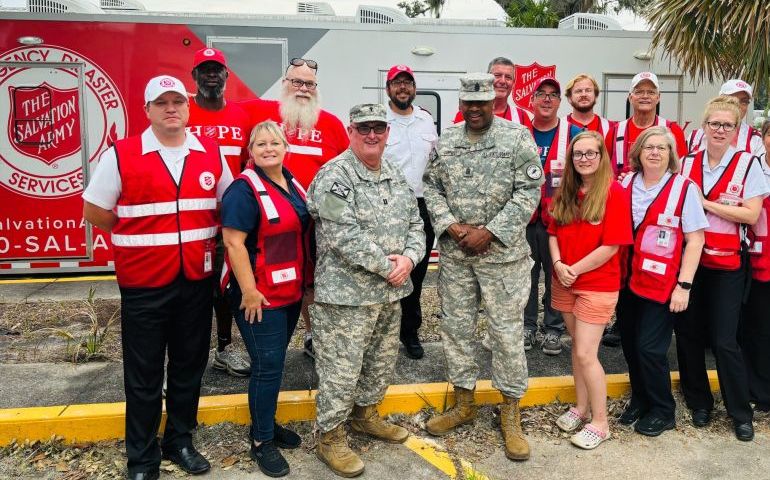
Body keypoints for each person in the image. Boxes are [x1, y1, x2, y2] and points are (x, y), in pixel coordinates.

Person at [82, 75, 233, 480]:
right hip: (143, 284)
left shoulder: (210, 153)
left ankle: (180, 440)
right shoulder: (122, 154)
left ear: (188, 108)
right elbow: (95, 211)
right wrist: (138, 238)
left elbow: (227, 206)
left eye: (177, 102)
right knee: (144, 375)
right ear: (147, 110)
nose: (171, 108)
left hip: (195, 282)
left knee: (188, 368)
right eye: (161, 102)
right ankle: (143, 458)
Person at [423, 73, 543, 461]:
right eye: (468, 103)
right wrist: (454, 227)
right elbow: (431, 188)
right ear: (461, 104)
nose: (474, 109)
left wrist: (490, 232)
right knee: (456, 329)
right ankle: (464, 402)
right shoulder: (446, 142)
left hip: (502, 259)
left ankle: (510, 413)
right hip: (457, 257)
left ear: (495, 102)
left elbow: (529, 191)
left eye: (482, 103)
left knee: (506, 334)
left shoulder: (517, 138)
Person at [307, 104, 425, 478]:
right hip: (346, 296)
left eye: (378, 128)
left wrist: (409, 258)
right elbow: (340, 232)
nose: (372, 135)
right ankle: (329, 436)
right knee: (341, 370)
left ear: (387, 133)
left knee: (379, 362)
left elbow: (415, 223)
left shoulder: (393, 172)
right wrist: (388, 265)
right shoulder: (335, 175)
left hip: (389, 292)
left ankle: (365, 416)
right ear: (350, 131)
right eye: (364, 128)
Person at [241, 58, 349, 359]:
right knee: (278, 280)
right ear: (284, 84)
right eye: (296, 82)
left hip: (318, 223)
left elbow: (346, 171)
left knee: (314, 282)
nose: (303, 88)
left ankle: (314, 335)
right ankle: (268, 345)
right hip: (273, 224)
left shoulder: (330, 123)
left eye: (309, 83)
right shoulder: (260, 114)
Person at [220, 121, 310, 477]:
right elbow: (233, 242)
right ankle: (260, 441)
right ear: (250, 151)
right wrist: (249, 291)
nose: (269, 148)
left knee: (274, 364)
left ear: (285, 146)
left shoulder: (292, 183)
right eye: (261, 144)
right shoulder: (243, 190)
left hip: (288, 292)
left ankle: (267, 425)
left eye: (275, 142)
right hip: (259, 296)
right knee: (267, 367)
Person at [677, 96, 769, 441]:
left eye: (726, 125)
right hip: (690, 262)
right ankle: (699, 403)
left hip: (729, 263)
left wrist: (705, 204)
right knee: (688, 335)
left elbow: (751, 214)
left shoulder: (748, 164)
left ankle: (740, 412)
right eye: (714, 123)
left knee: (725, 339)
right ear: (704, 127)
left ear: (736, 130)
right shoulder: (686, 163)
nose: (719, 130)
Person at [615, 126, 707, 437]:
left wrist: (684, 286)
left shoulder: (684, 188)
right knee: (629, 343)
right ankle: (640, 398)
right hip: (627, 280)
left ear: (671, 155)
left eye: (662, 148)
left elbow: (695, 240)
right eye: (649, 146)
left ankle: (663, 409)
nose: (655, 152)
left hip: (662, 284)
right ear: (638, 153)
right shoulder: (624, 182)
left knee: (650, 349)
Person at [548, 130, 633, 449]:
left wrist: (574, 270)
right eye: (578, 154)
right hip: (564, 281)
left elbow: (611, 246)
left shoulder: (615, 193)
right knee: (577, 349)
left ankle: (600, 422)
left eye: (590, 153)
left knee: (586, 352)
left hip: (595, 284)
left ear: (602, 156)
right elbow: (553, 231)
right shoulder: (566, 190)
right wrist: (558, 266)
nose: (584, 159)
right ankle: (581, 408)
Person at [187, 46, 252, 377]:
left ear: (227, 76)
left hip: (231, 218)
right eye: (204, 69)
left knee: (226, 286)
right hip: (191, 216)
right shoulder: (182, 113)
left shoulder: (240, 116)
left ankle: (224, 349)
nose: (211, 74)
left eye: (217, 69)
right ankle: (190, 353)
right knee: (193, 288)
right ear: (194, 76)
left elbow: (245, 164)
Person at [383, 64, 438, 360]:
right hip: (389, 204)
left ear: (414, 88)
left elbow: (435, 160)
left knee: (416, 271)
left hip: (422, 205)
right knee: (389, 269)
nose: (403, 87)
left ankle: (410, 331)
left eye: (408, 82)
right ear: (388, 88)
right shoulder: (380, 120)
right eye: (397, 83)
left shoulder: (426, 120)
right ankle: (385, 333)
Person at [523, 76, 581, 355]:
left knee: (556, 275)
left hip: (558, 220)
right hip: (524, 218)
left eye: (553, 95)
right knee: (526, 275)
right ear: (531, 100)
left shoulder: (572, 132)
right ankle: (527, 325)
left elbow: (584, 172)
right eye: (541, 94)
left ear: (560, 102)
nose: (547, 99)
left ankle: (553, 329)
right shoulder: (520, 132)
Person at [607, 72, 687, 174]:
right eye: (639, 92)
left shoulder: (673, 130)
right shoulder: (615, 131)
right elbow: (603, 170)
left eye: (651, 92)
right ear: (630, 97)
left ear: (658, 97)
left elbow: (681, 170)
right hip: (621, 189)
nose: (645, 96)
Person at [742, 119, 770, 412]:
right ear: (763, 136)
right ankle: (759, 391)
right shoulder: (751, 168)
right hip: (753, 259)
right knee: (755, 328)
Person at [687, 79, 764, 155]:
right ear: (720, 100)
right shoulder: (695, 137)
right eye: (732, 100)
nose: (738, 105)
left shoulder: (756, 139)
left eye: (744, 102)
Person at [452, 57, 533, 127]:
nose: (503, 81)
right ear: (487, 79)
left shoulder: (521, 117)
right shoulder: (466, 114)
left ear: (513, 83)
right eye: (497, 75)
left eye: (508, 77)